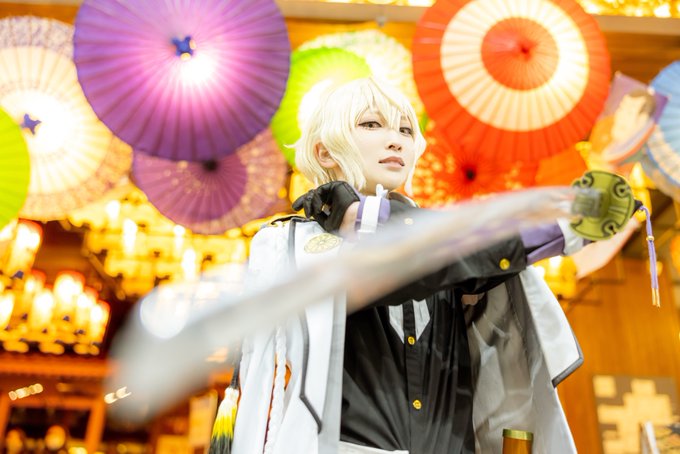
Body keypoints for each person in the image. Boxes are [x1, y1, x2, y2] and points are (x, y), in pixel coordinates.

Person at [227, 77, 594, 454]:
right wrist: (555, 227)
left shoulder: (442, 238)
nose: (396, 140)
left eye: (405, 130)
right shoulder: (288, 242)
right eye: (371, 124)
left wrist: (560, 224)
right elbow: (396, 266)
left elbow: (466, 261)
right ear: (324, 152)